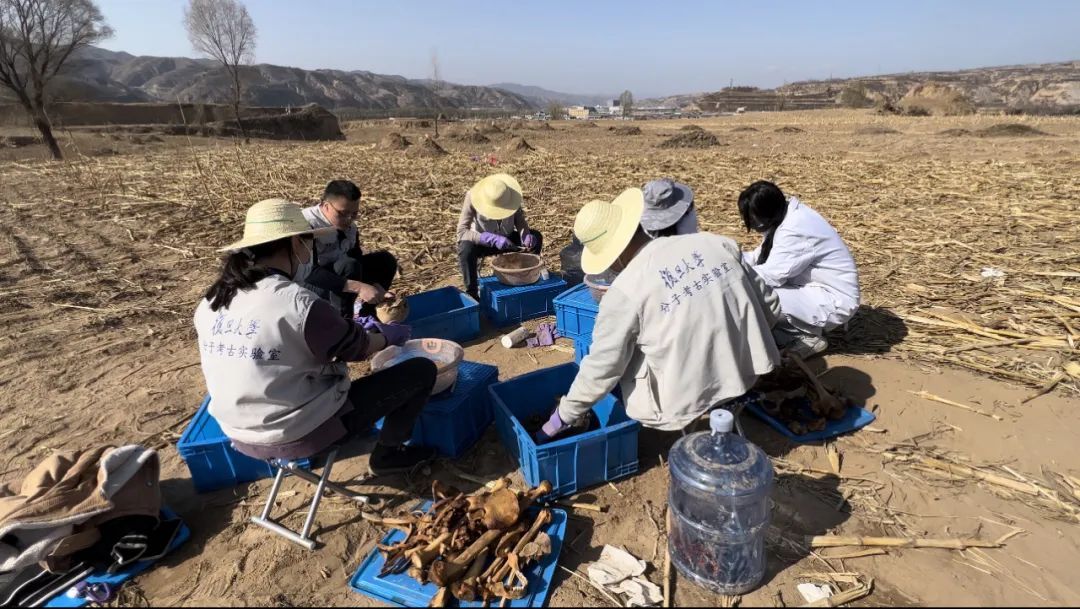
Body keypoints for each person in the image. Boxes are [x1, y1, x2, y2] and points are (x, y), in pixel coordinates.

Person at [193, 199, 436, 475]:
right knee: (420, 370)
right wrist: (388, 334)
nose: (309, 250)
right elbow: (359, 348)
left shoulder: (212, 299)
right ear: (296, 243)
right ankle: (388, 455)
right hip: (295, 433)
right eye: (307, 242)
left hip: (238, 434)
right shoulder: (295, 302)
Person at [535, 189, 782, 442]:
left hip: (685, 401)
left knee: (627, 354)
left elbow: (602, 368)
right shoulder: (717, 242)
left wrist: (560, 419)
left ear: (614, 255)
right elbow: (772, 306)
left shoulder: (624, 292)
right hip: (747, 374)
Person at [738, 181, 860, 358]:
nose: (756, 227)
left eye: (756, 222)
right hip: (811, 289)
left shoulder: (795, 230)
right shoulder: (782, 217)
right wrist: (730, 258)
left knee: (758, 296)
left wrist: (733, 275)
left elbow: (771, 275)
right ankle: (789, 331)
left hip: (833, 299)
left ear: (767, 215)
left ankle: (805, 338)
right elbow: (758, 257)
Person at [302, 180, 399, 318]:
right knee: (348, 266)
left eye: (354, 214)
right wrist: (359, 287)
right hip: (307, 284)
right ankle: (343, 324)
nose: (349, 219)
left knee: (385, 260)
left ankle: (370, 315)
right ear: (326, 206)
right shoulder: (307, 226)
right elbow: (308, 272)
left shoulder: (350, 227)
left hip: (338, 275)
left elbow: (356, 257)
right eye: (342, 213)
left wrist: (376, 287)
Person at [456, 173, 543, 300]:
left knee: (536, 236)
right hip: (482, 242)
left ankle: (525, 276)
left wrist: (525, 235)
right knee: (465, 249)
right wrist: (489, 238)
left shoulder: (510, 195)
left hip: (507, 240)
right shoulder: (472, 197)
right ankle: (472, 293)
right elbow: (462, 232)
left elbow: (519, 219)